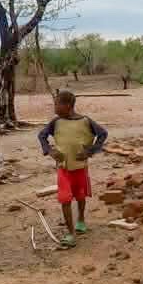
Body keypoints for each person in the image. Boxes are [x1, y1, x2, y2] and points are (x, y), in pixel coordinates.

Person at [38, 90, 108, 248]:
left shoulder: (85, 121)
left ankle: (81, 220)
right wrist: (50, 150)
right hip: (64, 169)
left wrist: (90, 151)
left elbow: (103, 134)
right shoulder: (55, 122)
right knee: (65, 199)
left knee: (80, 196)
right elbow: (41, 136)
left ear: (67, 105)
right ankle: (70, 233)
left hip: (80, 168)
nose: (54, 107)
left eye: (57, 104)